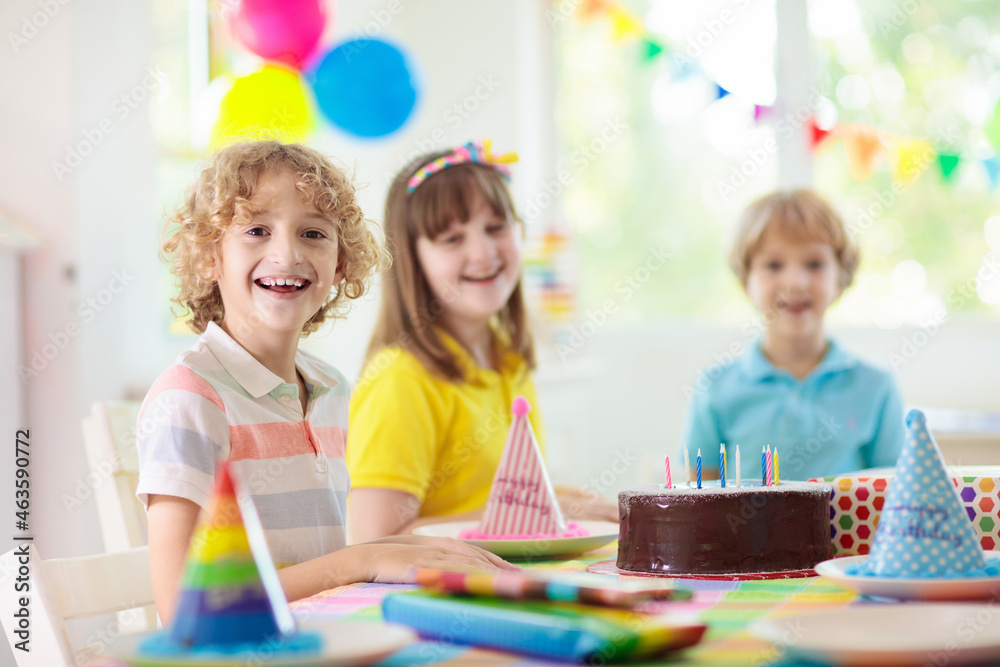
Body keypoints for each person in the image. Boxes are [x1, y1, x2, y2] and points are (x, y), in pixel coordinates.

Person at [136, 141, 514, 624]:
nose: (287, 252)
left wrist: (411, 548)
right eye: (256, 230)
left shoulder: (333, 390)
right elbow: (183, 608)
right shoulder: (189, 398)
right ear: (211, 256)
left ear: (339, 264)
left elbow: (321, 561)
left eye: (314, 233)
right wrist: (362, 561)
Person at [346, 141, 617, 542]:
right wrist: (542, 510)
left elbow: (499, 498)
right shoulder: (399, 379)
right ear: (411, 260)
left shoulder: (508, 362)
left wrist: (562, 503)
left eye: (496, 227)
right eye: (452, 239)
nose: (484, 252)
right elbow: (374, 542)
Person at [682, 189, 905, 481]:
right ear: (745, 280)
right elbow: (700, 500)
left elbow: (894, 495)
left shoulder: (876, 388)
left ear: (841, 277)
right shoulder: (715, 388)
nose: (795, 281)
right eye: (773, 265)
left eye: (814, 264)